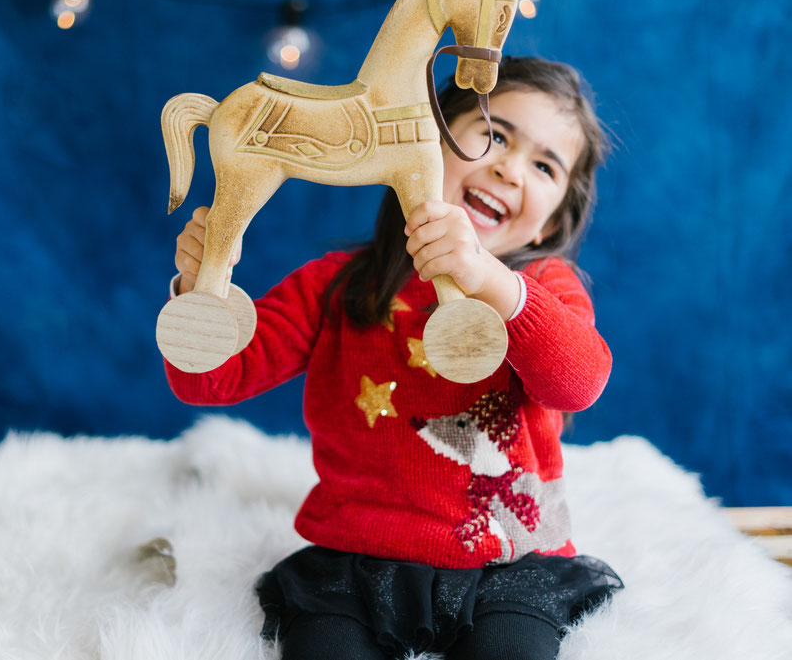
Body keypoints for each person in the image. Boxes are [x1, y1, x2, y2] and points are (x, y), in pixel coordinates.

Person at [163, 56, 623, 660]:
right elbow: (212, 382)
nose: (511, 169)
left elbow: (579, 381)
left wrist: (489, 281)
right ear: (425, 145)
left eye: (544, 166)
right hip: (356, 561)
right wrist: (203, 294)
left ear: (550, 224)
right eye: (494, 134)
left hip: (506, 561)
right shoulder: (335, 285)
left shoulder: (544, 289)